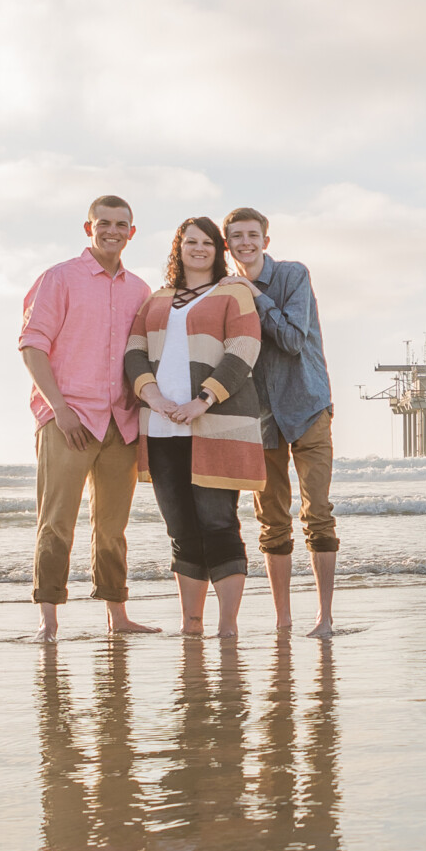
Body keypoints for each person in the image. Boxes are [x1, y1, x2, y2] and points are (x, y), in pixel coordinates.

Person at [19, 196, 158, 642]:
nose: (112, 231)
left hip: (121, 422)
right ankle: (48, 621)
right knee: (57, 520)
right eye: (104, 223)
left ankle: (117, 615)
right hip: (68, 419)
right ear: (89, 227)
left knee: (113, 527)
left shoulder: (140, 289)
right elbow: (32, 345)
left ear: (131, 232)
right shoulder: (59, 278)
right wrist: (59, 409)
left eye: (121, 224)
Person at [126, 217, 267, 639]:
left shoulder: (234, 292)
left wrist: (201, 399)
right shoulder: (156, 299)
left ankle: (227, 626)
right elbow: (133, 353)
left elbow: (245, 347)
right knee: (180, 529)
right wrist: (154, 398)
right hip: (162, 428)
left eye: (207, 242)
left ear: (217, 249)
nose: (199, 249)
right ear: (178, 247)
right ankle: (191, 625)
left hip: (216, 425)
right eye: (191, 241)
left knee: (218, 522)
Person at [222, 208, 338, 638]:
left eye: (253, 235)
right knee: (271, 520)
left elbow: (291, 339)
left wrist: (253, 292)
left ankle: (324, 618)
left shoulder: (292, 276)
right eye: (237, 236)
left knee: (318, 513)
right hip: (260, 417)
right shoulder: (226, 291)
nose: (245, 242)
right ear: (228, 244)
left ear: (265, 240)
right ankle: (283, 621)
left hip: (307, 405)